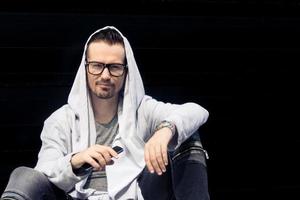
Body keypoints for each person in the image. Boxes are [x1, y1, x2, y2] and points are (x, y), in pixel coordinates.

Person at [1, 26, 209, 200]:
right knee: (24, 176)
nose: (106, 75)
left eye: (115, 67)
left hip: (138, 195)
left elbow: (196, 111)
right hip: (75, 197)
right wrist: (76, 160)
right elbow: (44, 171)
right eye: (97, 66)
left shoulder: (143, 110)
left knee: (187, 135)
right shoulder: (60, 120)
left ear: (126, 71)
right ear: (85, 68)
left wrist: (165, 131)